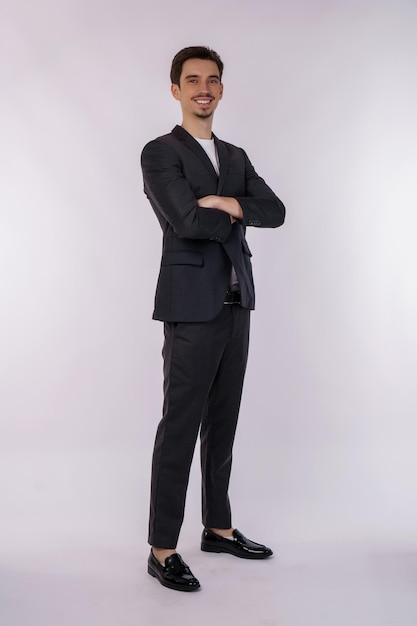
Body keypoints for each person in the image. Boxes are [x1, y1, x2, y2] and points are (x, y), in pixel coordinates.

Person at [141, 46, 285, 592]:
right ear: (175, 89)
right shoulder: (160, 153)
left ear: (222, 91)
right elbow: (186, 220)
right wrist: (234, 208)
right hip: (190, 308)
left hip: (235, 303)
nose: (204, 88)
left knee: (222, 424)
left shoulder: (236, 155)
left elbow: (276, 211)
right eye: (192, 79)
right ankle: (162, 547)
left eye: (213, 80)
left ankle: (218, 529)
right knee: (179, 426)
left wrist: (222, 202)